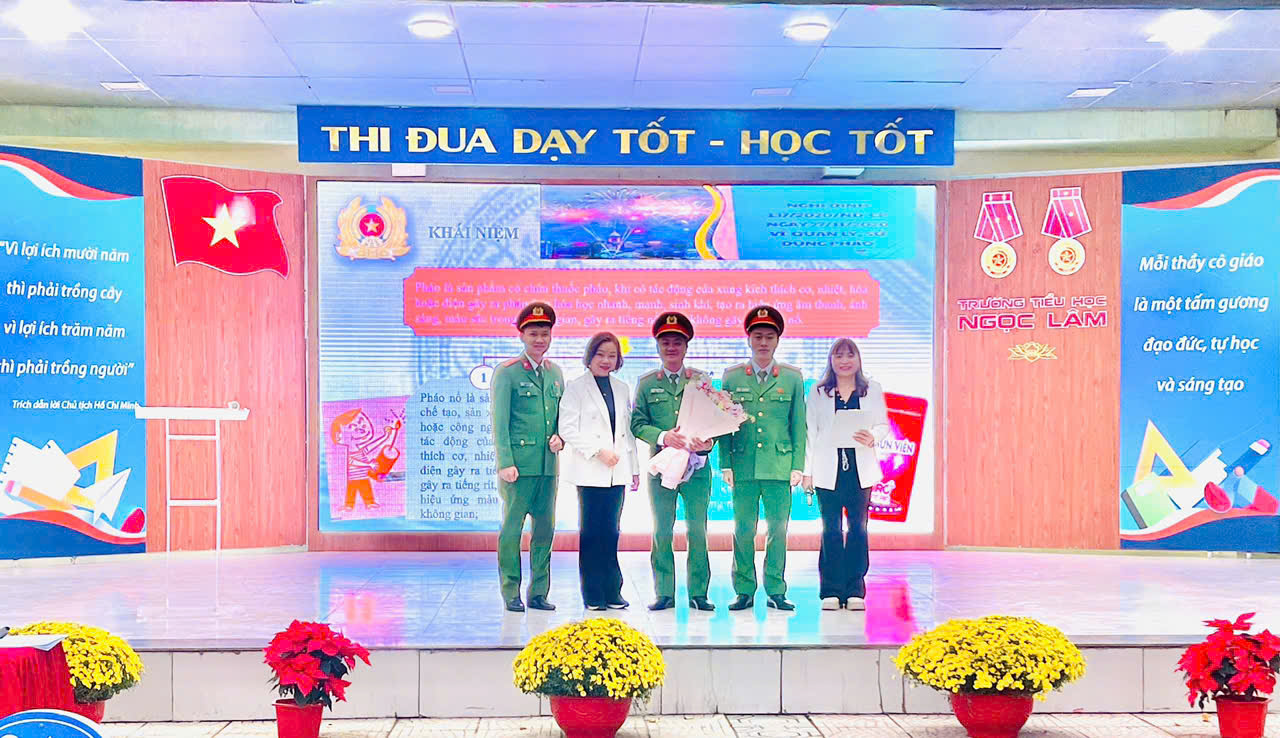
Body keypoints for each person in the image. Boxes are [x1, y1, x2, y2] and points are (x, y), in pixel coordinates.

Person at [719, 305, 806, 612]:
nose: (763, 342)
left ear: (778, 340)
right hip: (743, 465)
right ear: (749, 339)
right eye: (758, 336)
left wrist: (798, 465)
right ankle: (744, 590)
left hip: (779, 465)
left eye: (769, 336)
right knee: (743, 530)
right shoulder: (732, 377)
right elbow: (724, 424)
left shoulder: (792, 378)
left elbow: (798, 424)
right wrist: (725, 463)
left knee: (778, 531)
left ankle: (776, 589)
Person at [631, 312, 716, 612]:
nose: (671, 348)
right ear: (657, 346)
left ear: (686, 347)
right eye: (665, 342)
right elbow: (637, 423)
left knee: (697, 531)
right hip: (662, 468)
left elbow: (715, 421)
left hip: (697, 469)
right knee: (662, 531)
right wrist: (663, 436)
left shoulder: (701, 381)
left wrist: (708, 443)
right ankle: (664, 592)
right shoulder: (646, 384)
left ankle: (699, 593)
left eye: (677, 342)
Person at [802, 338, 890, 611]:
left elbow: (883, 424)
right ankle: (830, 590)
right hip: (827, 469)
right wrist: (807, 472)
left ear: (858, 359)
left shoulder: (871, 389)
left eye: (849, 355)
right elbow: (810, 432)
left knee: (858, 529)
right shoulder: (819, 391)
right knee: (830, 529)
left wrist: (873, 436)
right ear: (831, 360)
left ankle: (855, 590)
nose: (844, 361)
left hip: (859, 470)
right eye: (838, 355)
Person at [490, 302, 565, 613]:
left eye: (544, 334)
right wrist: (505, 462)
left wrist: (561, 436)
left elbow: (561, 416)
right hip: (518, 467)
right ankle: (511, 591)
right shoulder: (507, 373)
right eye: (533, 334)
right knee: (512, 530)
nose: (539, 340)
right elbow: (499, 422)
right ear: (522, 335)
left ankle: (539, 592)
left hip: (548, 467)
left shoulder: (555, 372)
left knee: (545, 531)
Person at [558, 332, 640, 611]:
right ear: (590, 356)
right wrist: (597, 451)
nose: (606, 360)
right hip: (591, 470)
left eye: (611, 355)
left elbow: (627, 432)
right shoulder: (576, 387)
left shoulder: (622, 387)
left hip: (618, 471)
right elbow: (567, 428)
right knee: (592, 532)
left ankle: (613, 590)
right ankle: (593, 593)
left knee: (612, 531)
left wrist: (634, 468)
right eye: (600, 354)